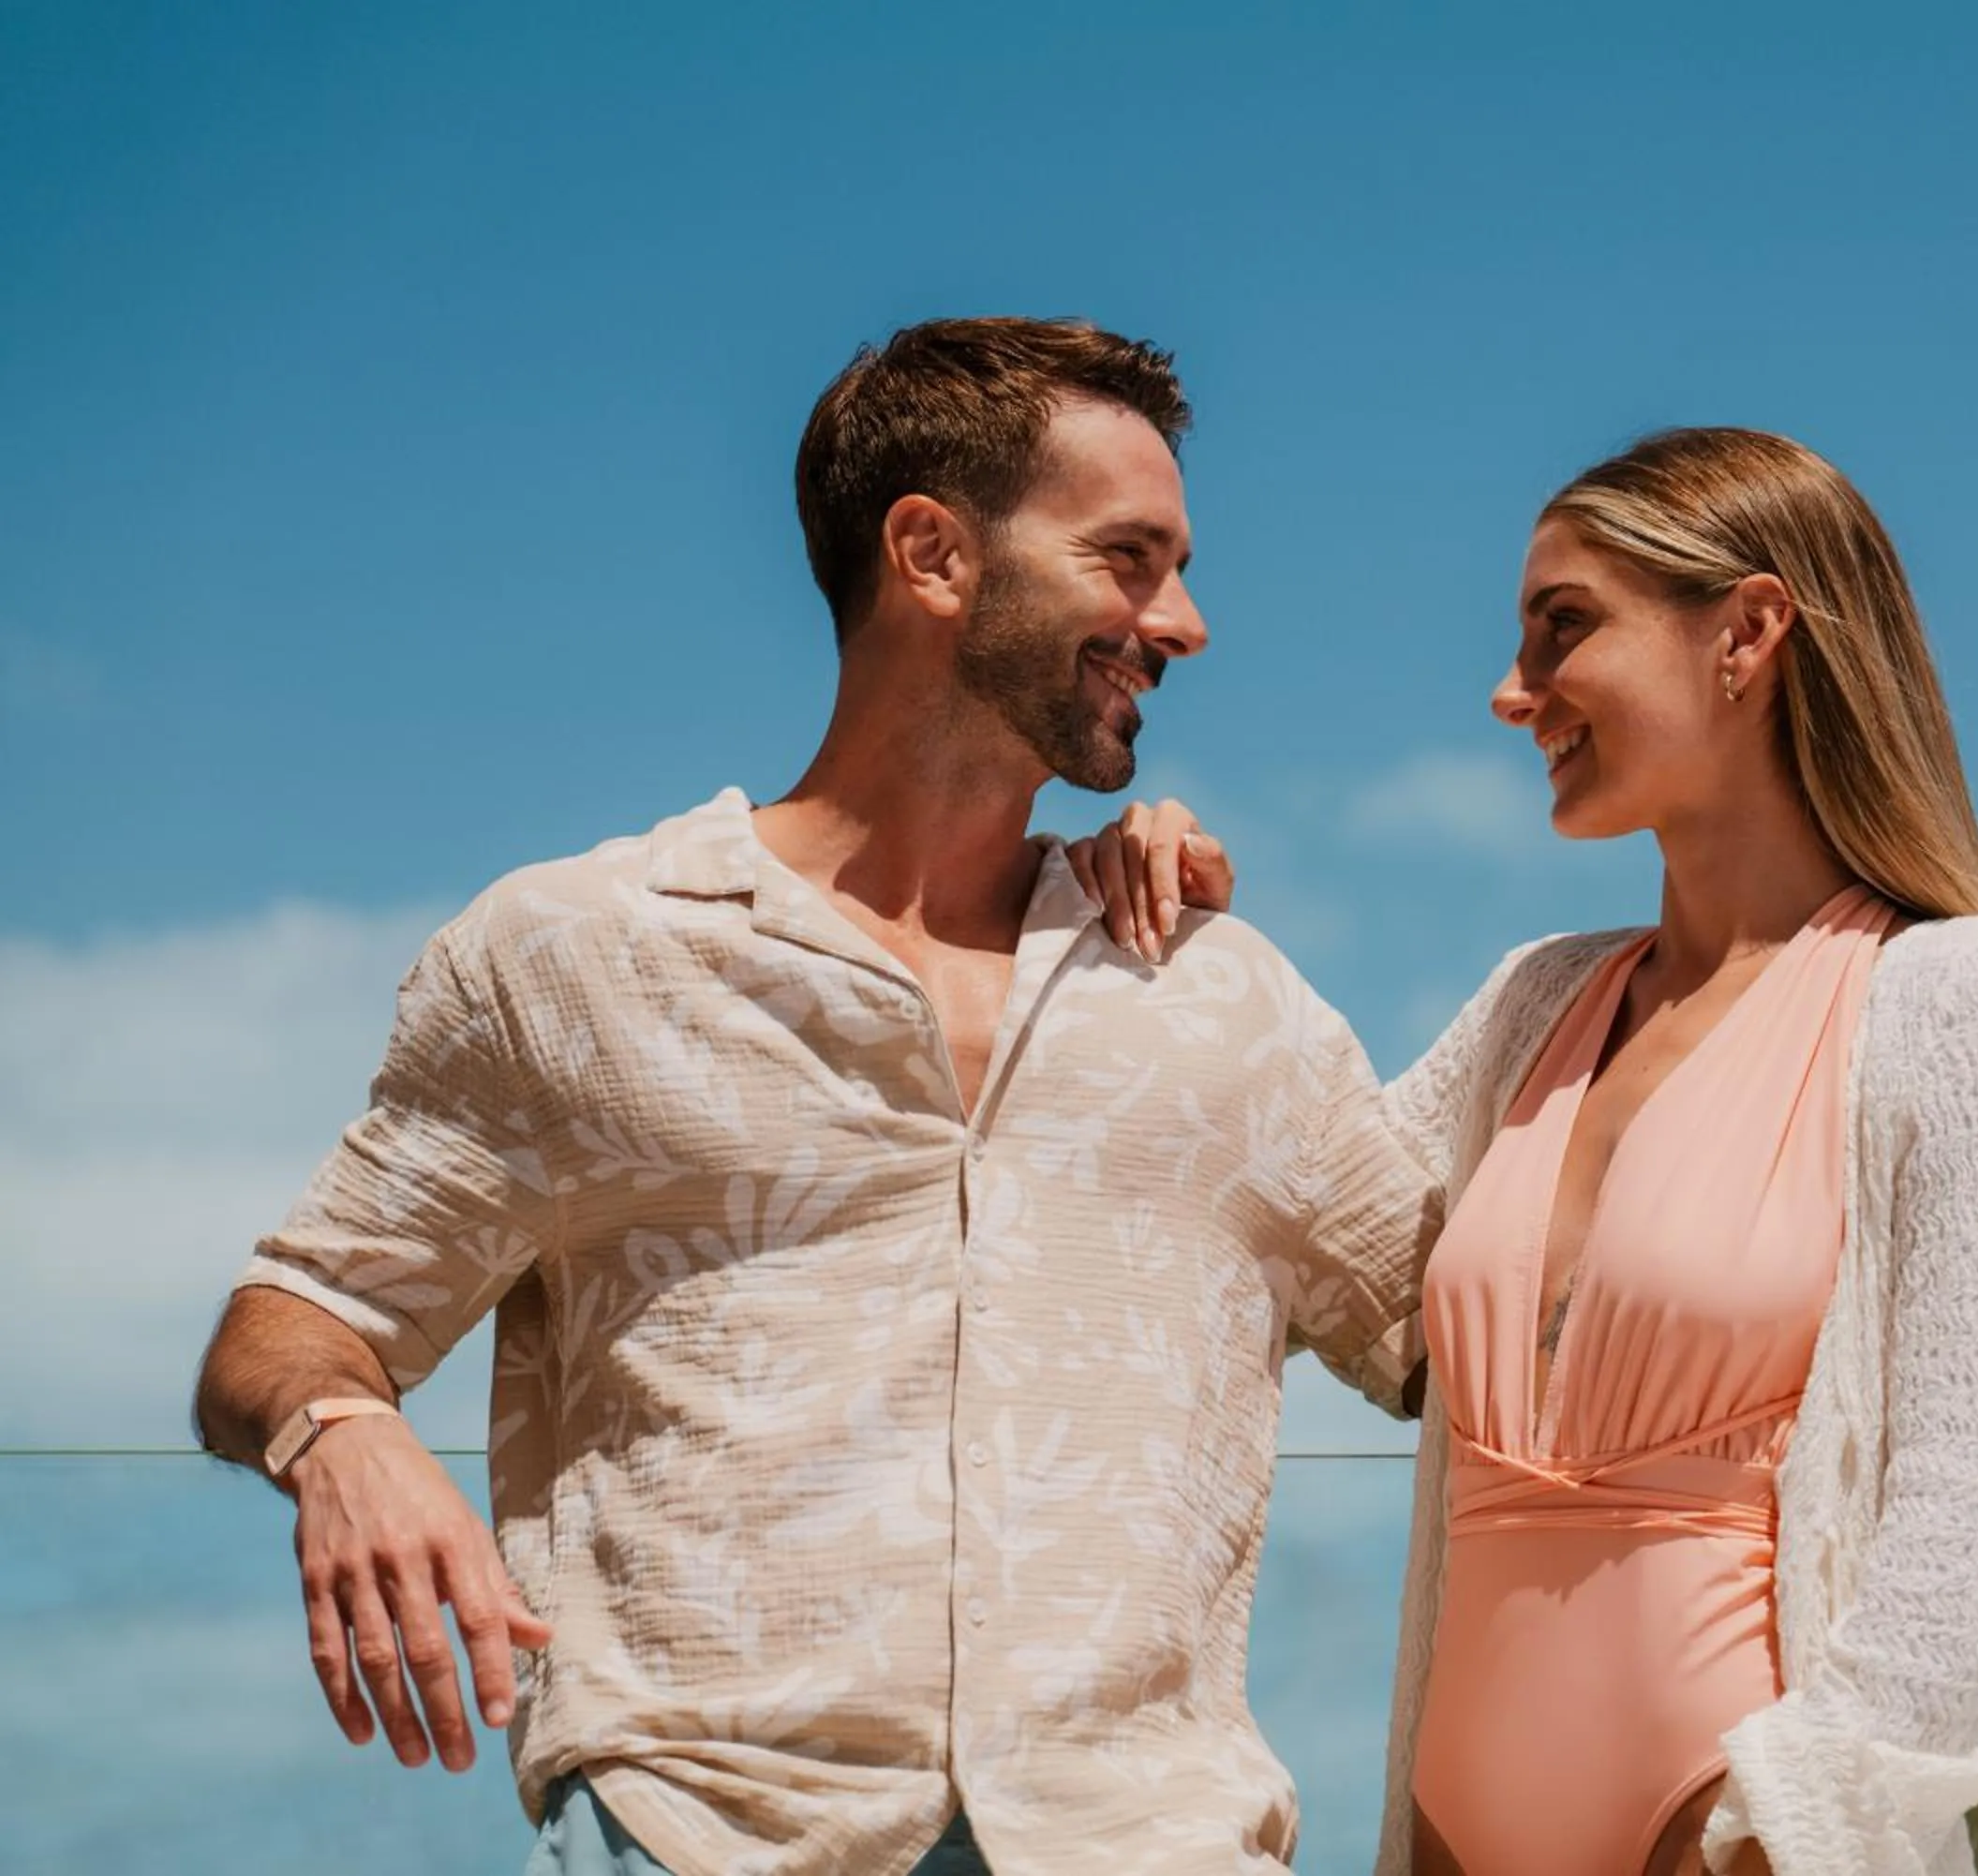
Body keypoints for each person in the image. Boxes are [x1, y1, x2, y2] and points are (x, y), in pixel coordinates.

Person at [189, 317, 1439, 1876]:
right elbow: (292, 1320)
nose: (1180, 621)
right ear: (931, 554)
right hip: (693, 1836)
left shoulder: (1217, 998)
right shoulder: (578, 954)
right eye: (1128, 559)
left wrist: (1655, 980)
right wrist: (338, 1430)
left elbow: (1480, 1335)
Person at [1073, 427, 1978, 1876]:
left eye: (1564, 625)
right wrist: (1167, 948)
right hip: (1448, 1831)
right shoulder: (1531, 1004)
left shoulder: (1954, 999)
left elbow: (1970, 1533)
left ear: (1748, 633)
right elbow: (1290, 1240)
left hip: (1741, 1836)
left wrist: (1783, 1831)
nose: (1512, 687)